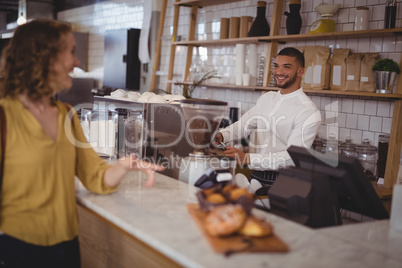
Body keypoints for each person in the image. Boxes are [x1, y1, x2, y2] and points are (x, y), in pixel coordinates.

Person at [0, 19, 163, 268]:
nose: (78, 62)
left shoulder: (67, 114)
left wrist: (124, 165)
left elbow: (95, 176)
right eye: (72, 52)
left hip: (67, 246)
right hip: (17, 249)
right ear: (44, 57)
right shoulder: (5, 116)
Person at [215, 47, 321, 186]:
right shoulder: (267, 98)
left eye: (286, 67)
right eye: (276, 66)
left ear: (301, 71)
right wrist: (222, 135)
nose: (279, 72)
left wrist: (247, 158)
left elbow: (291, 157)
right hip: (257, 175)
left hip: (285, 180)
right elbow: (243, 125)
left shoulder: (308, 111)